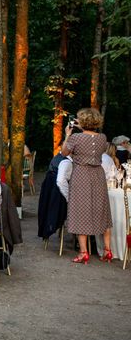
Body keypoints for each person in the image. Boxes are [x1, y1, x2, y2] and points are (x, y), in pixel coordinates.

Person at [61, 108, 112, 264]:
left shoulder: (76, 137)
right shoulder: (103, 138)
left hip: (81, 175)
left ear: (81, 122)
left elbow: (63, 153)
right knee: (102, 210)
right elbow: (100, 151)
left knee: (81, 211)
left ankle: (84, 252)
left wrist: (67, 135)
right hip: (98, 175)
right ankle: (108, 250)